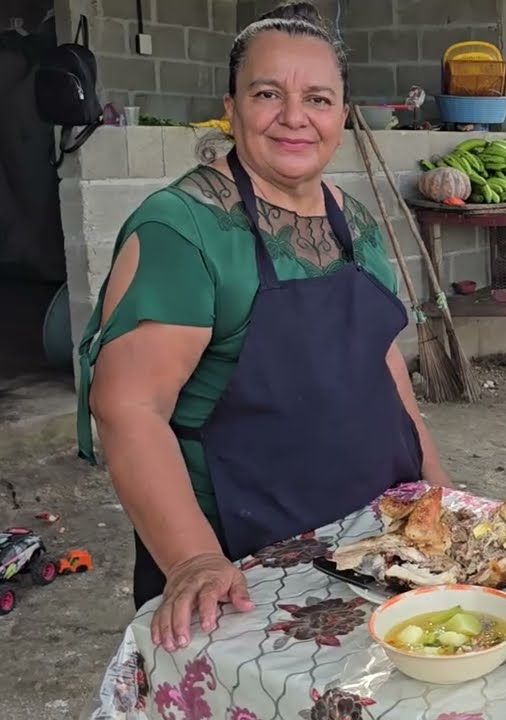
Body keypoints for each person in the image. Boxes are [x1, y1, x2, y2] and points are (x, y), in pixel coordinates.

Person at [75, 2, 451, 653]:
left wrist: (437, 488)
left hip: (374, 548)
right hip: (247, 570)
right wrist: (192, 559)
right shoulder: (181, 229)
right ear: (231, 105)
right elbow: (127, 406)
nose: (295, 116)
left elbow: (383, 365)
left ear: (341, 114)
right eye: (268, 93)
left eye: (318, 98)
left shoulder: (354, 220)